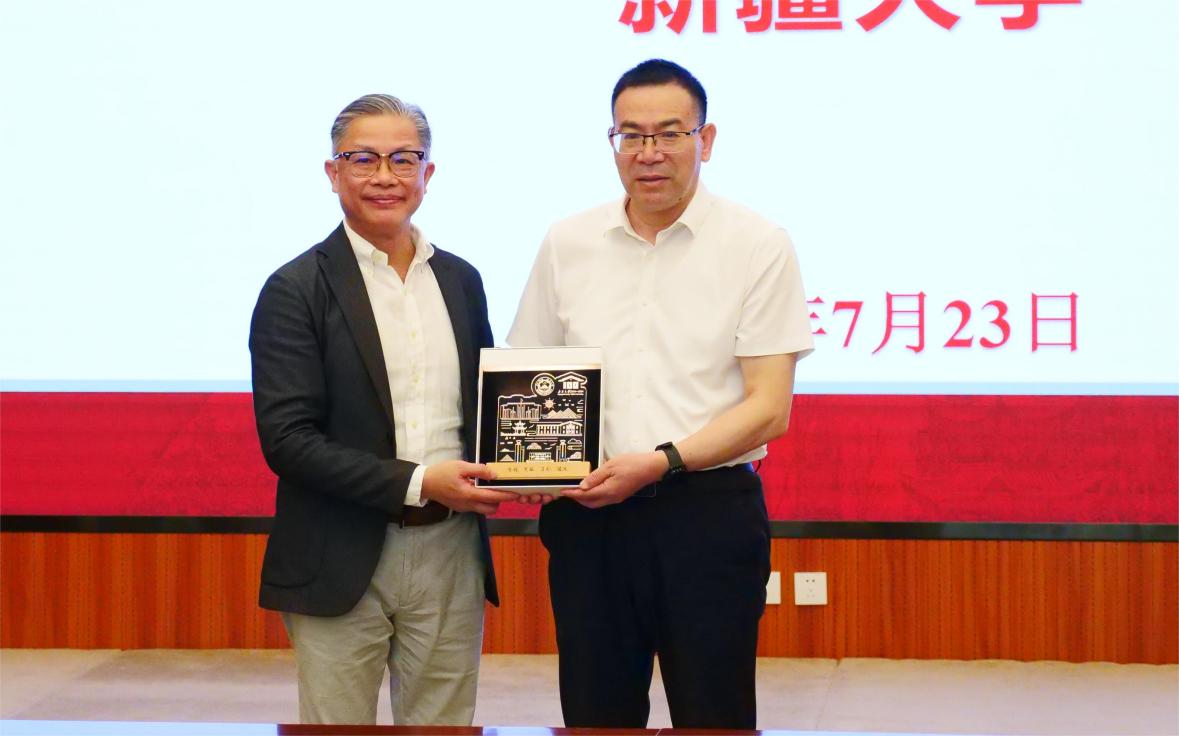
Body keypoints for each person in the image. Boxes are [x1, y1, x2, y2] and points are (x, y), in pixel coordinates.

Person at [508, 59, 814, 730]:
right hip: (588, 520)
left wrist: (660, 461)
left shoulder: (757, 244)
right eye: (630, 135)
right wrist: (528, 467)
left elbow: (769, 407)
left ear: (705, 140)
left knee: (713, 716)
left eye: (670, 133)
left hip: (705, 517)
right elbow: (531, 373)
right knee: (596, 715)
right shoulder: (567, 242)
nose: (648, 153)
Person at [249, 94, 518, 726]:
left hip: (451, 550)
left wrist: (529, 466)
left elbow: (485, 407)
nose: (385, 176)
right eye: (363, 158)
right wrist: (421, 482)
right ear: (332, 172)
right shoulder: (295, 289)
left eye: (403, 159)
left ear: (428, 172)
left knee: (444, 726)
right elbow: (288, 440)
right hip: (339, 552)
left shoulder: (461, 280)